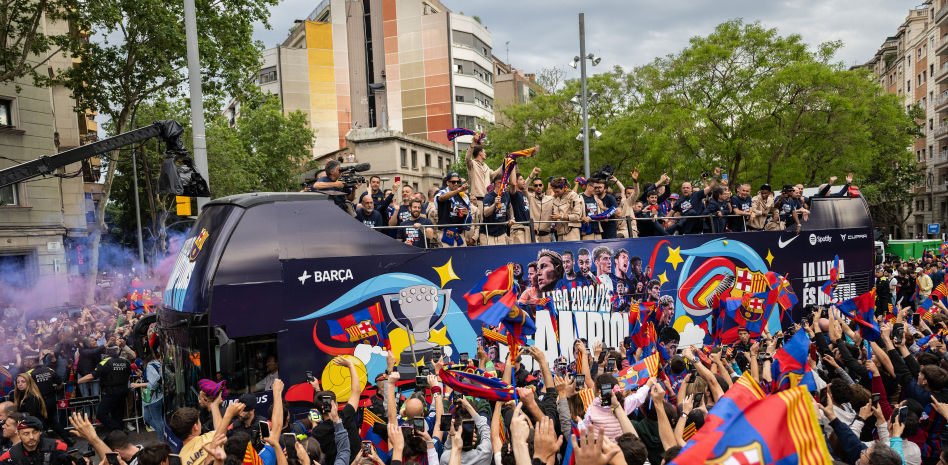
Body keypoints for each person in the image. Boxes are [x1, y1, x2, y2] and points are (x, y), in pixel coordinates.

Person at [77, 346, 131, 432]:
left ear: (106, 352)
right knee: (117, 415)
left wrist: (78, 381)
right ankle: (119, 437)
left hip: (111, 392)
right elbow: (129, 375)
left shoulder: (105, 362)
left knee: (101, 414)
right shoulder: (125, 361)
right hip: (123, 391)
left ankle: (118, 430)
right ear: (117, 351)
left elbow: (92, 376)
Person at [0, 416, 67, 465]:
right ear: (18, 435)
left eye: (35, 432)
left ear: (40, 432)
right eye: (26, 434)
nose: (31, 437)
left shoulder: (57, 446)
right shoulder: (9, 456)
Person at [434, 173, 471, 248]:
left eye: (458, 182)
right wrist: (458, 190)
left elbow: (467, 211)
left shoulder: (463, 196)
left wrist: (466, 213)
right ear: (447, 182)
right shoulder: (442, 192)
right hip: (445, 232)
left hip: (459, 233)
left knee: (463, 258)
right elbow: (441, 198)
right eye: (453, 182)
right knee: (447, 258)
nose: (456, 184)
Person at [482, 172, 513, 246]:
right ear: (495, 183)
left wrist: (511, 218)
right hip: (488, 233)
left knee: (502, 256)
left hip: (501, 232)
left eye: (505, 183)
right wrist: (494, 204)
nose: (502, 185)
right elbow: (485, 213)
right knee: (489, 256)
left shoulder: (506, 195)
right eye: (500, 183)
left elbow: (509, 208)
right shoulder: (488, 196)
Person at [550, 177, 583, 242]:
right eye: (554, 192)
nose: (556, 194)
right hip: (560, 233)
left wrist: (561, 216)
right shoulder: (555, 198)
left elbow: (577, 216)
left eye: (557, 191)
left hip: (572, 232)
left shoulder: (573, 196)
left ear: (564, 188)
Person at [526, 168, 554, 242]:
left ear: (543, 186)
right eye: (535, 185)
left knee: (545, 253)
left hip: (546, 235)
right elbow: (524, 188)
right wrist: (532, 174)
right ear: (533, 187)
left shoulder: (550, 199)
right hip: (534, 234)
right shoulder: (530, 197)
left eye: (540, 185)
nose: (538, 187)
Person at [508, 173, 532, 244]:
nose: (524, 181)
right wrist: (513, 168)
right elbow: (512, 184)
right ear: (516, 182)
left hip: (527, 229)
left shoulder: (523, 194)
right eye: (521, 179)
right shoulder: (514, 194)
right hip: (518, 230)